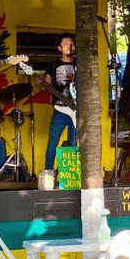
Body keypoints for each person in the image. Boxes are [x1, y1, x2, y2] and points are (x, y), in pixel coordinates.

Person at [44, 32, 77, 171]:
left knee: (73, 143)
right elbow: (46, 85)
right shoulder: (53, 65)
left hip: (77, 108)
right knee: (53, 142)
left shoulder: (79, 64)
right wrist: (42, 84)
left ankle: (68, 174)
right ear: (59, 48)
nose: (69, 47)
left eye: (72, 44)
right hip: (60, 109)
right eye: (65, 44)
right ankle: (49, 172)